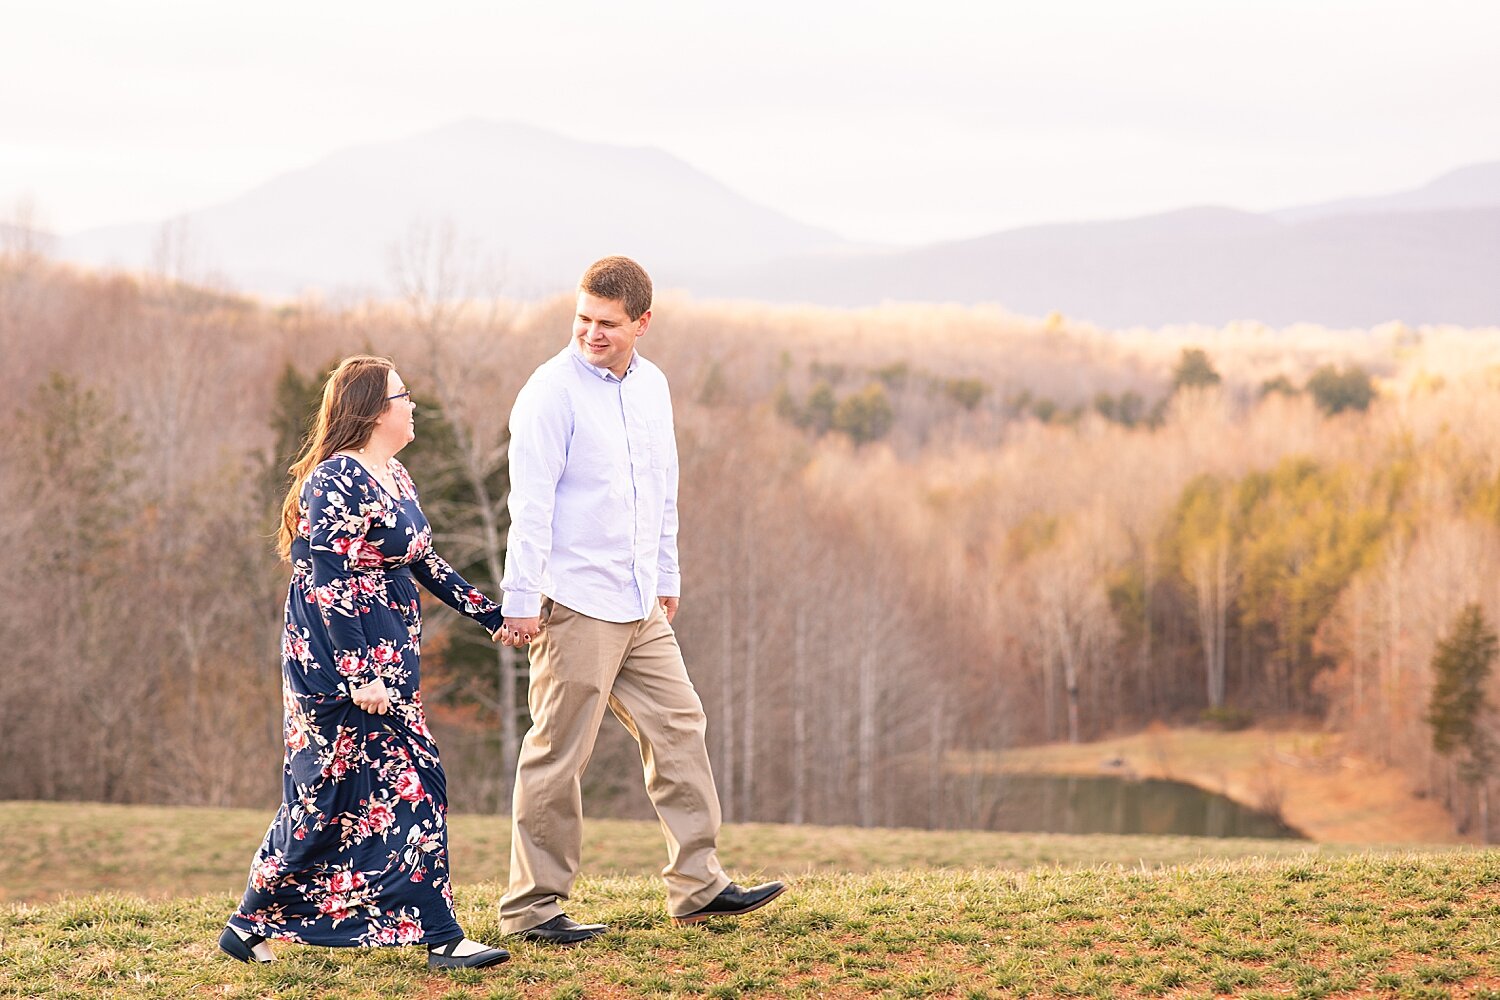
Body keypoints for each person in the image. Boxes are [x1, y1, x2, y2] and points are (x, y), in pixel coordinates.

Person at [496, 256, 785, 944]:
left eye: (607, 323)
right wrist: (520, 597)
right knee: (557, 754)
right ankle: (532, 909)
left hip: (638, 602)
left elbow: (662, 486)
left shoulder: (652, 387)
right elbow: (529, 506)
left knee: (681, 725)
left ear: (642, 324)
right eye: (583, 319)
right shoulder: (550, 393)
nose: (591, 333)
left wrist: (666, 575)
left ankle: (698, 884)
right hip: (573, 603)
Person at [220, 355, 509, 970]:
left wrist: (493, 617)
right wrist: (359, 674)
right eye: (404, 396)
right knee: (405, 785)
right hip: (339, 669)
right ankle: (442, 937)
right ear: (378, 410)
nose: (413, 406)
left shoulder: (395, 476)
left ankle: (249, 923)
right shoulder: (335, 480)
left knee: (327, 797)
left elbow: (423, 561)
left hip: (387, 666)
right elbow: (327, 579)